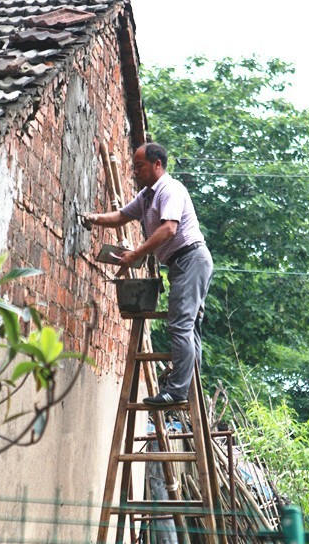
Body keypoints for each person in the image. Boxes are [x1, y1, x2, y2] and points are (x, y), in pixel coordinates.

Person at [83, 142, 213, 406]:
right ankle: (189, 387)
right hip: (181, 265)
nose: (135, 172)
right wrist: (93, 218)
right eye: (133, 167)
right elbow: (121, 216)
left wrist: (136, 254)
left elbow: (168, 230)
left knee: (180, 325)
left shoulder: (170, 189)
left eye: (139, 166)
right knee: (190, 326)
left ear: (157, 164)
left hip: (190, 259)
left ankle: (177, 391)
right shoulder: (146, 196)